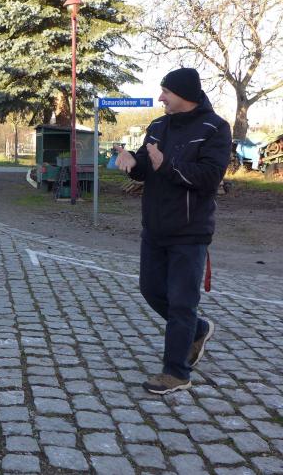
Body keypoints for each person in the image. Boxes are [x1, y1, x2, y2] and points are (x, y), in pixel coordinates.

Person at [115, 67, 231, 395]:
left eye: (166, 91)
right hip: (154, 227)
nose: (160, 97)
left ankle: (176, 373)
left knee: (181, 303)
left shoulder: (215, 128)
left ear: (184, 94)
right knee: (151, 290)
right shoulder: (158, 126)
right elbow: (145, 166)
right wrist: (131, 162)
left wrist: (166, 165)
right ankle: (198, 329)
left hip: (190, 231)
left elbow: (209, 177)